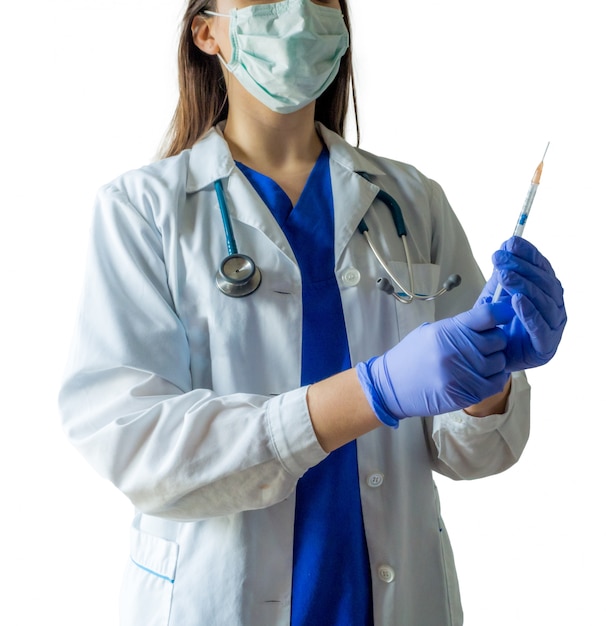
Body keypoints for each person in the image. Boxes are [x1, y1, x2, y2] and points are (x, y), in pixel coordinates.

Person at [58, 1, 566, 624]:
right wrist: (371, 392)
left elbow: (471, 454)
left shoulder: (413, 202)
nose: (297, 15)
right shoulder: (142, 210)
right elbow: (135, 443)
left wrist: (489, 382)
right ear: (206, 31)